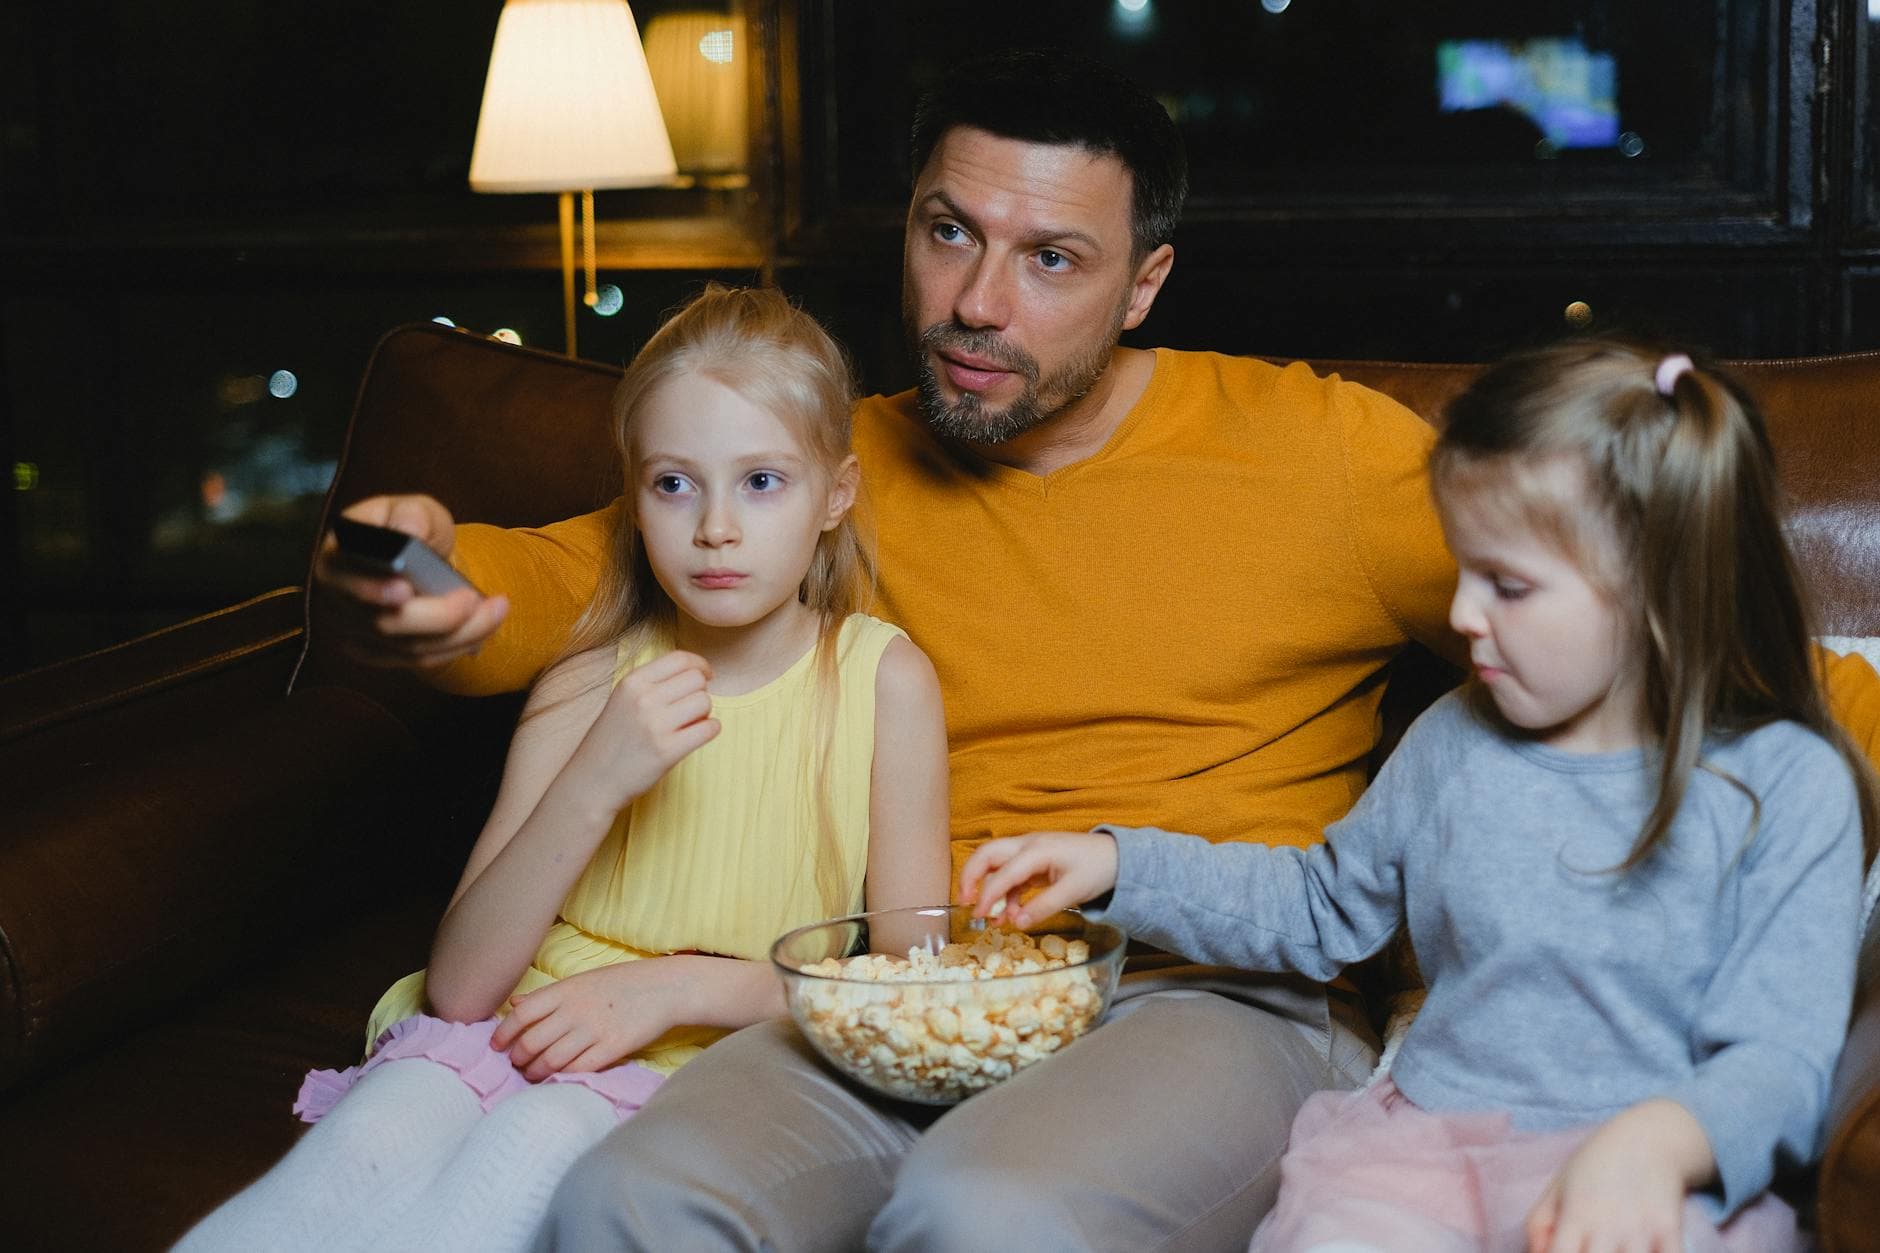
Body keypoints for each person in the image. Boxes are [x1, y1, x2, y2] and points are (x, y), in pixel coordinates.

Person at [313, 50, 1880, 1251]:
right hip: (891, 984)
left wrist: (1831, 753)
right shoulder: (812, 467)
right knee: (628, 1197)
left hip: (1209, 989)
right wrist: (415, 579)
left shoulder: (1313, 454)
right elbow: (541, 583)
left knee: (989, 1217)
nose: (977, 305)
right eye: (949, 235)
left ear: (1145, 283)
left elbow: (1641, 617)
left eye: (1051, 260)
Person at [962, 340, 1878, 1253]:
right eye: (1464, 567)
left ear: (1658, 591)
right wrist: (1123, 863)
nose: (1464, 611)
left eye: (1508, 585)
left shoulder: (1787, 784)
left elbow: (1782, 1062)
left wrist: (1657, 1146)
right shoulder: (1455, 738)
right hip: (1430, 1151)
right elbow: (1318, 905)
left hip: (1659, 1164)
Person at [177, 285, 949, 1253]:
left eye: (761, 481)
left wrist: (678, 988)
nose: (714, 527)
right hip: (513, 1028)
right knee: (365, 1143)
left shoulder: (882, 682)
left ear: (834, 494)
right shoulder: (587, 680)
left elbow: (912, 987)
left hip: (711, 1057)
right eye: (675, 483)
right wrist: (594, 775)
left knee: (533, 1145)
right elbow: (461, 987)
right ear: (633, 496)